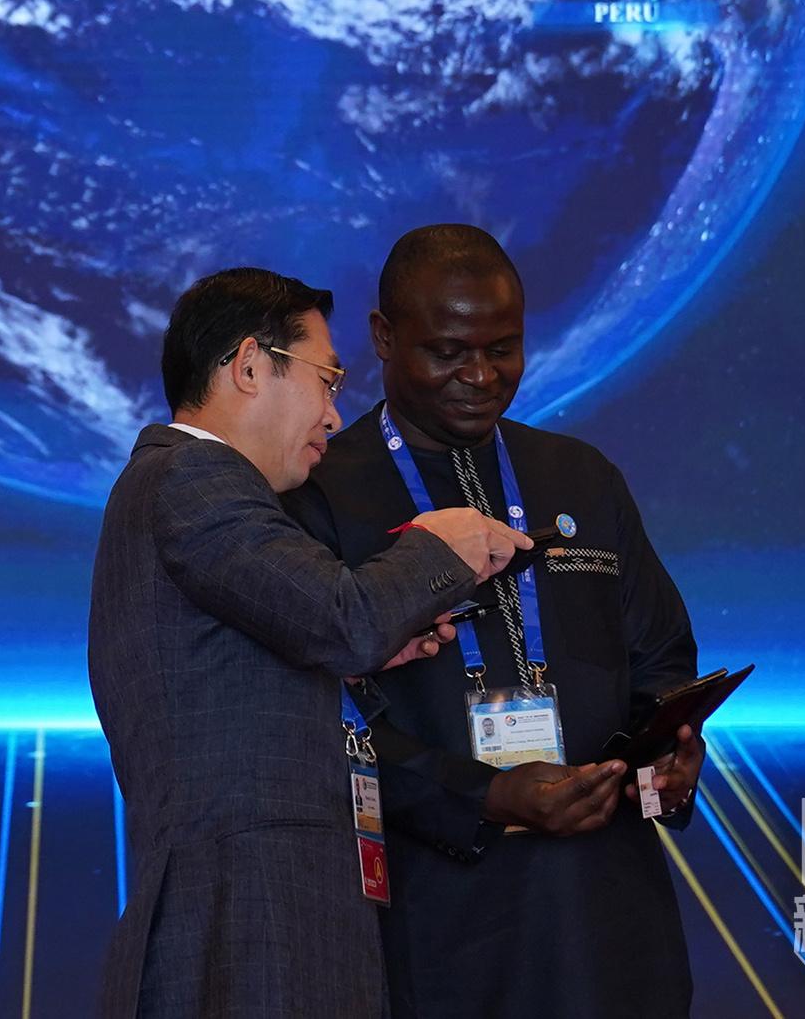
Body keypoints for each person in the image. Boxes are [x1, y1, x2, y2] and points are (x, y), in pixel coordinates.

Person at [89, 266, 529, 1018]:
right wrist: (442, 545)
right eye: (326, 380)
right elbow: (342, 619)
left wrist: (371, 652)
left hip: (265, 916)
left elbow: (287, 647)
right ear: (250, 366)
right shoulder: (194, 476)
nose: (333, 415)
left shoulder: (183, 486)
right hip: (249, 922)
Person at [290, 225, 704, 1019]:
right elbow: (313, 720)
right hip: (430, 917)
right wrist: (485, 796)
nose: (480, 376)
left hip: (607, 915)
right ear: (383, 337)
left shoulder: (580, 476)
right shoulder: (320, 493)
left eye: (502, 350)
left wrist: (667, 757)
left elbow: (660, 658)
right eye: (447, 352)